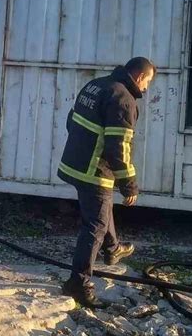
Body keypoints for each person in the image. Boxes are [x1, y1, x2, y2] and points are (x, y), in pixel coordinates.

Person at [58, 57, 156, 307]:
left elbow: (71, 121)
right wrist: (129, 184)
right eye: (147, 82)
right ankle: (78, 284)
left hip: (74, 163)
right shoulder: (123, 99)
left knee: (101, 211)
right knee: (95, 225)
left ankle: (113, 248)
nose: (145, 89)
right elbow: (119, 147)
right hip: (95, 171)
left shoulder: (96, 85)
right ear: (139, 77)